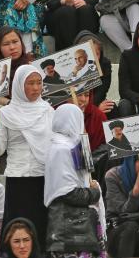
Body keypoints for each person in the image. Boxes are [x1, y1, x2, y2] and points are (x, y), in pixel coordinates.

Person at [0, 65, 52, 244]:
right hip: (18, 178)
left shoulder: (48, 110)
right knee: (18, 230)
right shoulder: (4, 114)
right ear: (18, 85)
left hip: (43, 177)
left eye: (39, 83)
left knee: (40, 230)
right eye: (30, 83)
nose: (36, 88)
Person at [43, 104, 104, 258]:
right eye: (79, 120)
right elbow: (68, 192)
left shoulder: (67, 145)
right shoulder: (62, 149)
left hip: (74, 229)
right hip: (69, 231)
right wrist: (94, 192)